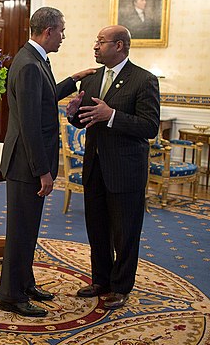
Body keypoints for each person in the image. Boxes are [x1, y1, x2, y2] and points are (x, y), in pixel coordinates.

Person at [0, 6, 96, 317]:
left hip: (28, 163)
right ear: (48, 31)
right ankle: (11, 296)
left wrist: (74, 79)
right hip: (26, 165)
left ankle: (25, 284)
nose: (64, 36)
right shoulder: (28, 64)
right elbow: (29, 123)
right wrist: (43, 171)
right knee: (19, 234)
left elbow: (45, 96)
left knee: (28, 231)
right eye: (62, 31)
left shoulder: (34, 59)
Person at [67, 25, 160, 310]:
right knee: (97, 227)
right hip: (95, 166)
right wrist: (73, 116)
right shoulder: (92, 80)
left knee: (125, 231)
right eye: (96, 41)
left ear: (119, 46)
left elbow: (149, 127)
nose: (95, 46)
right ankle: (101, 280)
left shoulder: (144, 80)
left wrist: (113, 116)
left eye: (100, 41)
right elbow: (86, 119)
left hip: (125, 170)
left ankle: (120, 287)